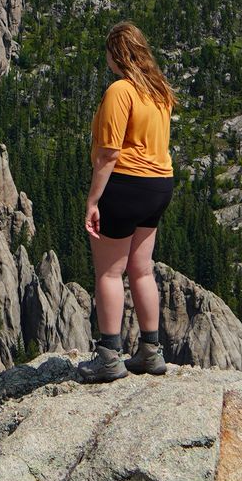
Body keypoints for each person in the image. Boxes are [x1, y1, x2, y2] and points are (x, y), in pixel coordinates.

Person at [76, 20, 176, 382]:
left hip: (126, 185)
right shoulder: (159, 90)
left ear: (116, 54)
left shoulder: (121, 90)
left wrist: (93, 200)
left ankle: (109, 357)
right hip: (160, 185)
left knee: (109, 272)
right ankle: (151, 351)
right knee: (142, 269)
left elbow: (107, 154)